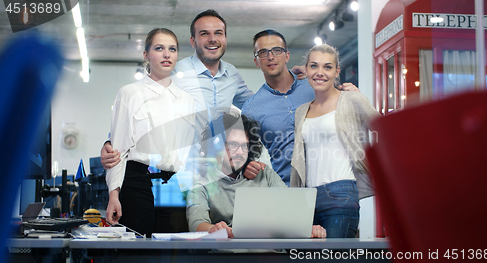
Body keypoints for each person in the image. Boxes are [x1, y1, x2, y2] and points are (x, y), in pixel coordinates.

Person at [101, 9, 265, 180]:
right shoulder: (175, 72)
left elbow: (256, 107)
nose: (212, 39)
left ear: (225, 38)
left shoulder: (232, 74)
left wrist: (291, 82)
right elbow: (138, 109)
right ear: (192, 41)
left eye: (218, 33)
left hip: (220, 171)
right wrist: (110, 143)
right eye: (204, 34)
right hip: (184, 173)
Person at [105, 28, 196, 237]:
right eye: (159, 48)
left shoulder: (187, 100)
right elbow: (118, 151)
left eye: (172, 49)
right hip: (137, 183)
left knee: (174, 252)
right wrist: (113, 195)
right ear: (146, 54)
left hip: (175, 187)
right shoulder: (129, 94)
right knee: (137, 252)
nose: (167, 54)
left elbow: (190, 151)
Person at [241, 29, 358, 185]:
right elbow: (244, 154)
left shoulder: (315, 85)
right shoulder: (251, 108)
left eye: (276, 50)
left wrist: (355, 98)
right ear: (256, 61)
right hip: (288, 190)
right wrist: (246, 166)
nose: (270, 56)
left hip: (333, 184)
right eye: (263, 52)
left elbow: (350, 117)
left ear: (287, 55)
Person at [186, 112, 326, 240]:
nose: (239, 152)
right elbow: (196, 223)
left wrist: (308, 230)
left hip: (271, 254)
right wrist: (212, 228)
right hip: (230, 254)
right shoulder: (202, 183)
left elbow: (291, 212)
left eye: (244, 146)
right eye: (233, 145)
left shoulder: (264, 174)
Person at [290, 44, 380, 238]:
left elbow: (385, 129)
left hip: (341, 194)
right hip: (307, 199)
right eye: (314, 66)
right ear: (306, 70)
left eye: (327, 67)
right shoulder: (301, 111)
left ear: (337, 71)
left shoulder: (351, 100)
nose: (320, 72)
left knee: (333, 259)